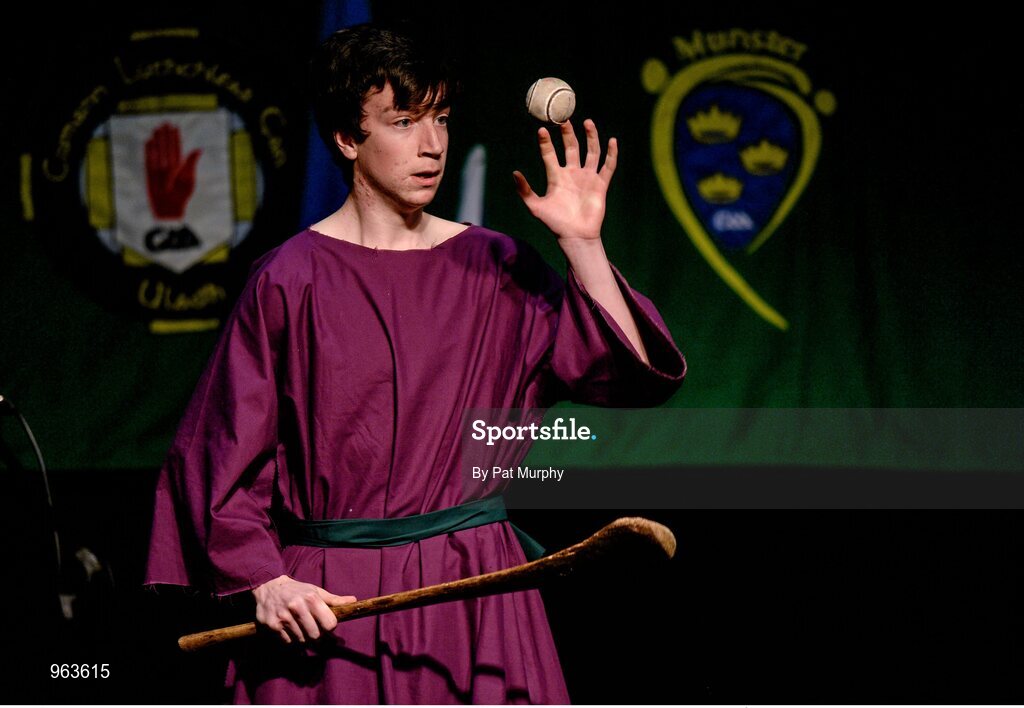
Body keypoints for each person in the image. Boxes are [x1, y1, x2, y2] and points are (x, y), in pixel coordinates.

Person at [143, 22, 687, 704]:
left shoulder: (496, 267)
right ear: (348, 137)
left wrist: (582, 245)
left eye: (441, 118)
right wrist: (266, 581)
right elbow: (218, 460)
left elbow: (630, 373)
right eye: (402, 121)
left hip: (474, 590)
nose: (432, 145)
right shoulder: (288, 279)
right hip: (328, 604)